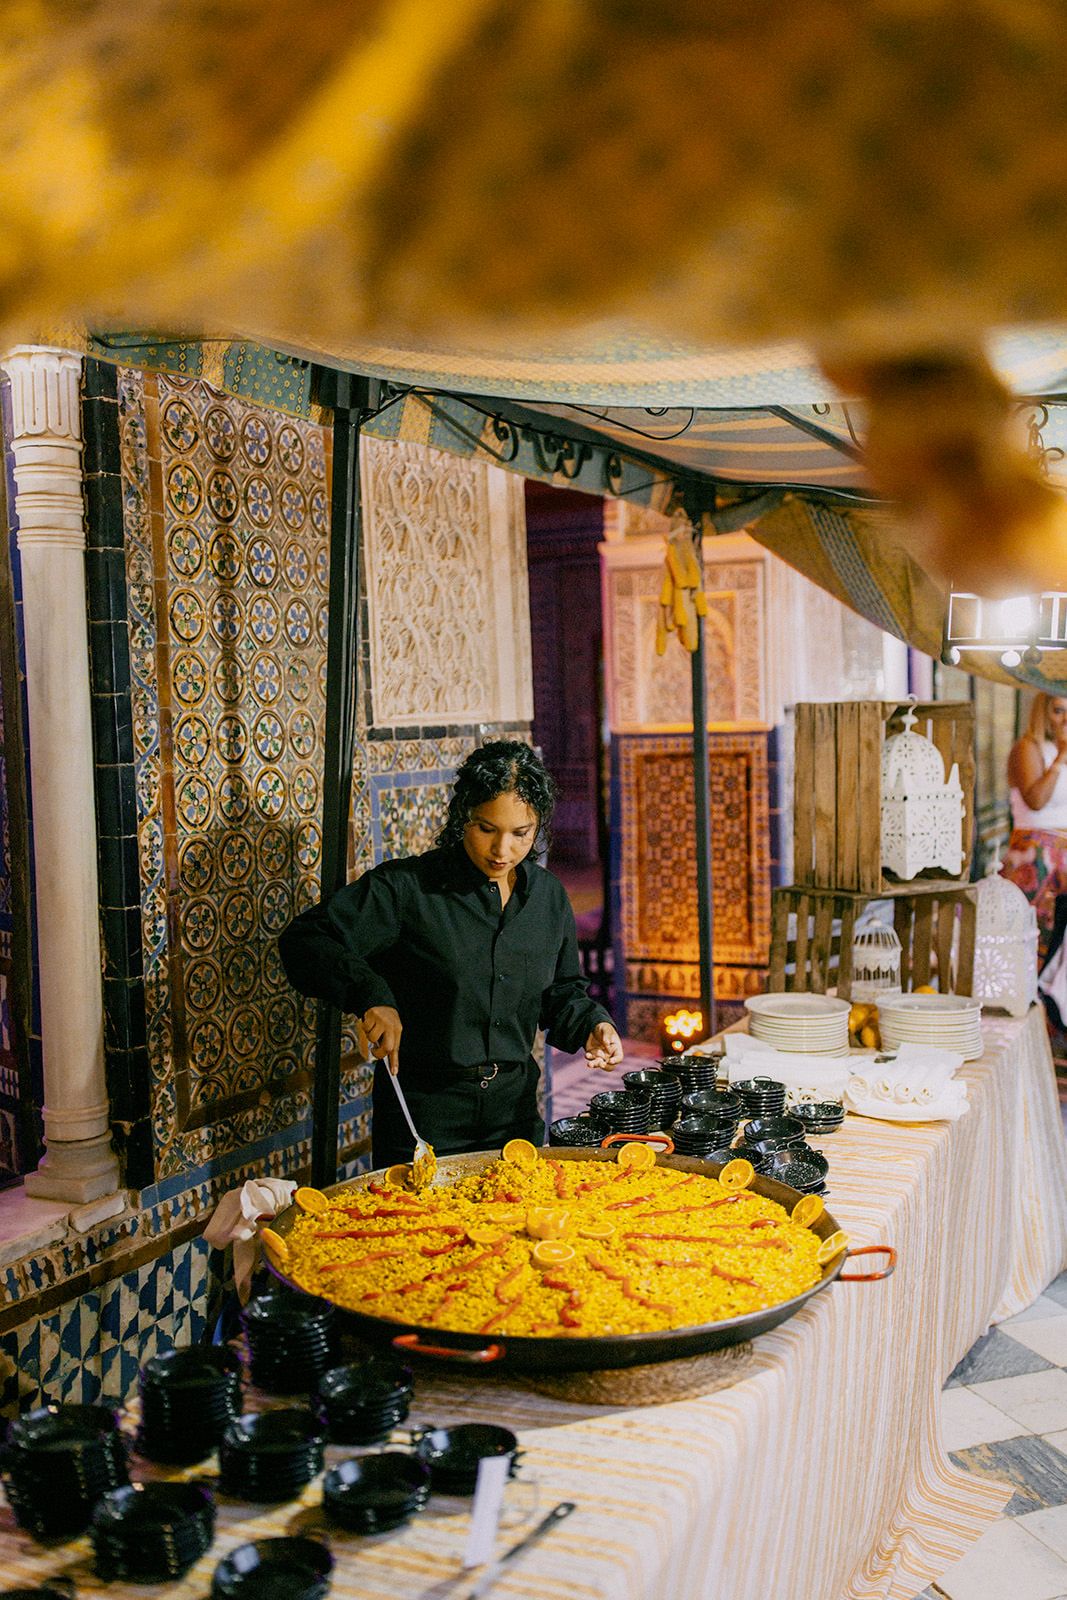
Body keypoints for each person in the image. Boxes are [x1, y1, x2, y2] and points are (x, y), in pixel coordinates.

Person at [279, 740, 624, 1168]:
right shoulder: (408, 889)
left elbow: (560, 992)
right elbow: (305, 940)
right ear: (463, 816)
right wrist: (371, 994)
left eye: (521, 834)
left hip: (512, 1111)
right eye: (486, 828)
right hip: (425, 1116)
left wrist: (593, 1023)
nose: (502, 851)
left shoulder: (548, 897)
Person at [1002, 693, 1067, 963]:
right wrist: (1062, 755)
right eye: (1059, 710)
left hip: (1062, 855)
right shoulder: (1028, 748)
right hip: (1035, 854)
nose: (1066, 719)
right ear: (1043, 712)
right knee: (1033, 940)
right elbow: (1036, 800)